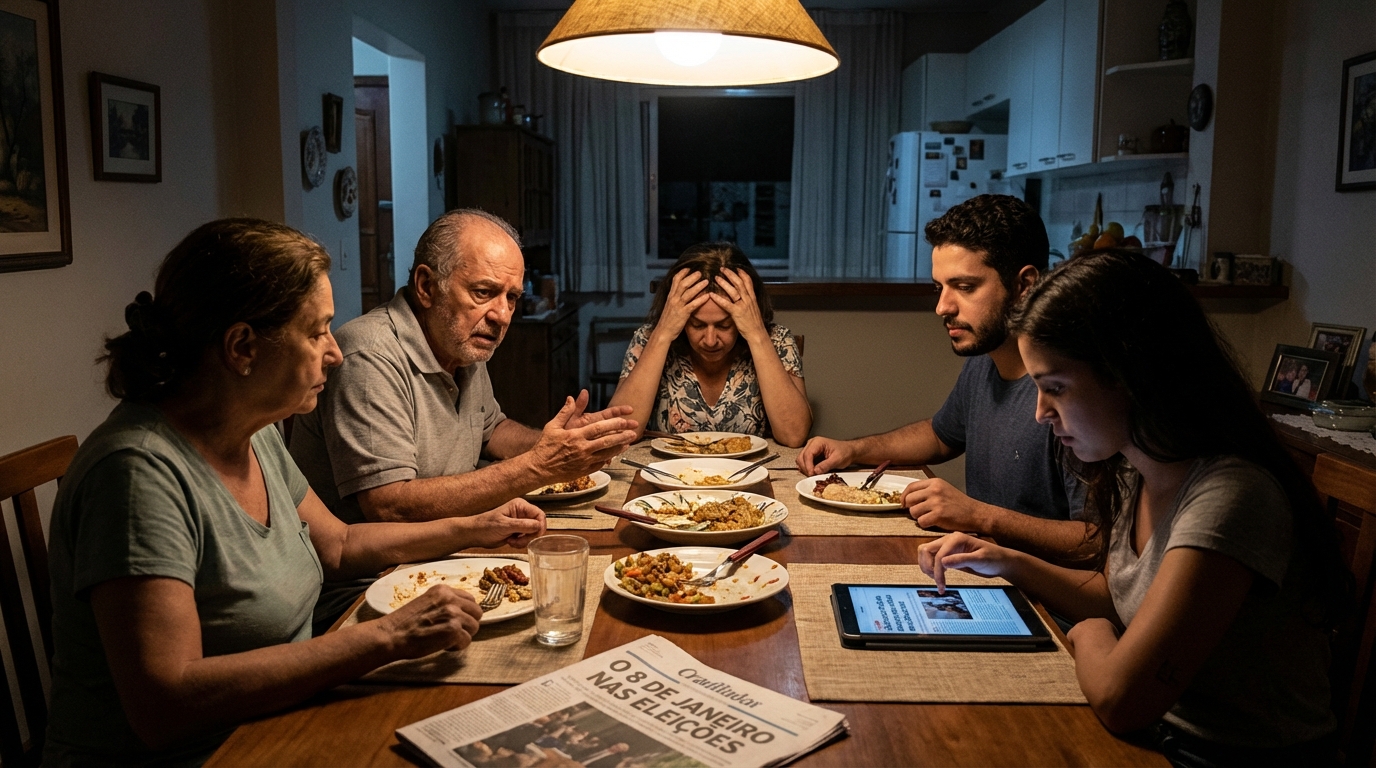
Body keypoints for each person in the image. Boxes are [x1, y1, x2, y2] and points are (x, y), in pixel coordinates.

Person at [45, 219, 547, 767]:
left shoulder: (253, 430)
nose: (335, 353)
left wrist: (477, 526)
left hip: (280, 716)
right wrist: (386, 638)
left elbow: (338, 546)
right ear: (242, 348)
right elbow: (165, 705)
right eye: (317, 332)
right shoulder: (137, 472)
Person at [919, 250, 1350, 766]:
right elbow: (1117, 595)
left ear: (1128, 374)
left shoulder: (1230, 497)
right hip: (1161, 739)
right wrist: (1005, 561)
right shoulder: (1136, 467)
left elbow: (1122, 699)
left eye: (1054, 387)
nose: (1040, 413)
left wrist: (1091, 634)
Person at [290, 209, 637, 628]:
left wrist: (563, 442)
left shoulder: (459, 341)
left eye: (511, 298)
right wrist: (539, 465)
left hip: (447, 553)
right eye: (484, 292)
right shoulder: (369, 356)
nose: (502, 314)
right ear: (425, 286)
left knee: (580, 597)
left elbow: (492, 430)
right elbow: (389, 506)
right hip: (369, 586)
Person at [796, 195, 1086, 562]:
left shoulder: (1068, 392)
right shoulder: (985, 359)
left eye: (964, 287)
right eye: (940, 287)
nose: (942, 308)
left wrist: (979, 515)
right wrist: (854, 450)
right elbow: (940, 435)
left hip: (1038, 600)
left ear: (1024, 285)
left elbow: (1096, 541)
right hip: (980, 570)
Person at [609, 242, 811, 446]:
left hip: (752, 473)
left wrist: (757, 334)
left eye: (724, 325)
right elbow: (621, 431)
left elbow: (794, 435)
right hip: (670, 473)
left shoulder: (777, 340)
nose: (710, 340)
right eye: (697, 325)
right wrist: (662, 334)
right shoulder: (648, 339)